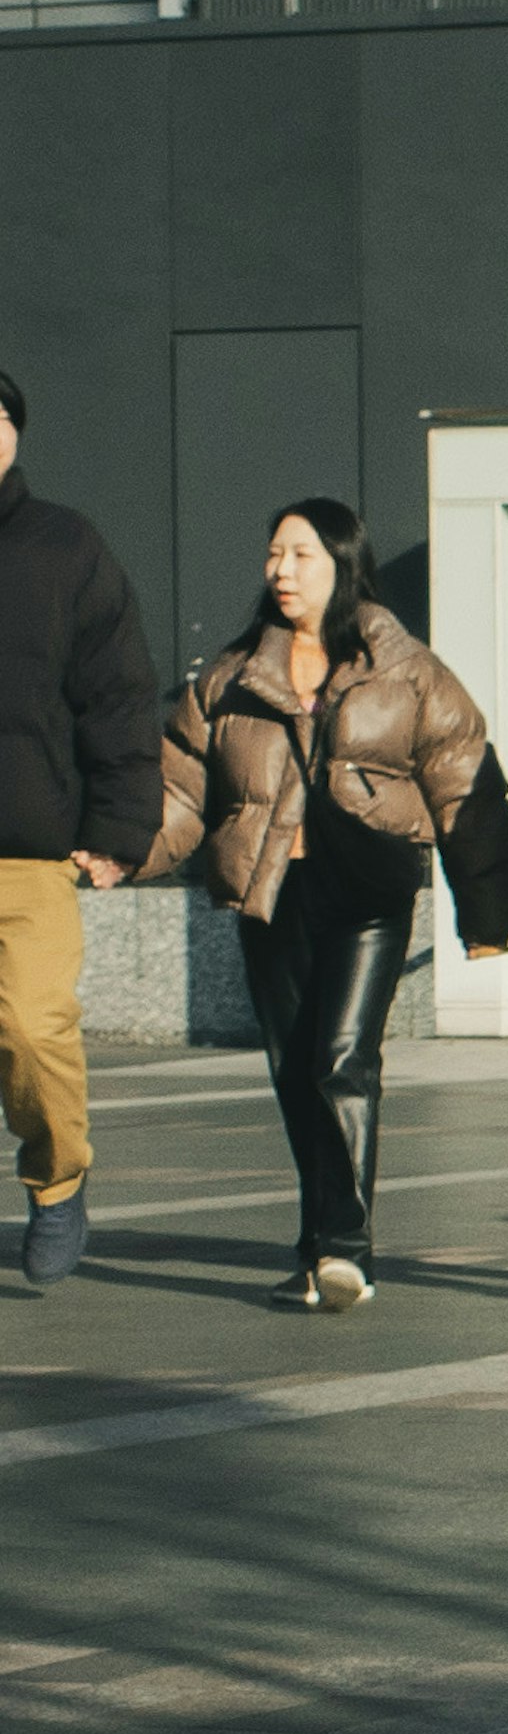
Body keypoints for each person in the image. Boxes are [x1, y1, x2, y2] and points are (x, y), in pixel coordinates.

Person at [146, 501, 508, 1304]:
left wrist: (487, 911)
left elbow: (466, 780)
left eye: (300, 554)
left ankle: (347, 1247)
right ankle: (318, 1246)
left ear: (343, 563)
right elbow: (180, 783)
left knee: (343, 1060)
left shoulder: (409, 670)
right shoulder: (233, 674)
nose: (281, 570)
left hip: (366, 890)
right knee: (294, 1071)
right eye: (274, 553)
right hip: (272, 888)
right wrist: (119, 852)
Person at [0, 368, 161, 1290]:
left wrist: (120, 824)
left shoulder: (66, 547)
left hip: (27, 849)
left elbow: (118, 697)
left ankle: (57, 1184)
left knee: (32, 1028)